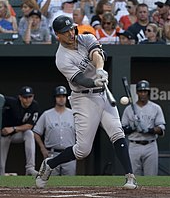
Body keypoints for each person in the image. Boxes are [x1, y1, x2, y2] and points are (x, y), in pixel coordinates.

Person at [35, 15, 138, 189]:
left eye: (71, 29)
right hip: (83, 98)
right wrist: (94, 80)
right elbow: (80, 79)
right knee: (83, 150)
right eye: (65, 32)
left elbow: (96, 53)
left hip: (102, 95)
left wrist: (99, 69)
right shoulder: (62, 58)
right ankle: (50, 164)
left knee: (117, 132)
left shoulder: (86, 37)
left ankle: (130, 176)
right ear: (57, 35)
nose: (70, 33)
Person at [121, 80, 166, 176]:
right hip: (134, 145)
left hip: (150, 145)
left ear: (148, 93)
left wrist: (149, 130)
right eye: (141, 91)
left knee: (151, 176)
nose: (143, 94)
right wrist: (133, 127)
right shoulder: (129, 109)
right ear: (137, 92)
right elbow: (122, 129)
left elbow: (161, 129)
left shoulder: (156, 108)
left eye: (145, 91)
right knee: (133, 176)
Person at [33, 86, 76, 176]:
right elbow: (36, 132)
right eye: (58, 96)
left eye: (63, 96)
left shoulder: (73, 114)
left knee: (70, 184)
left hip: (69, 154)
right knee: (51, 184)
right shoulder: (47, 114)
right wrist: (42, 148)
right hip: (52, 154)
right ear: (55, 98)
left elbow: (81, 133)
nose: (61, 99)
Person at [0, 86, 39, 176]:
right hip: (5, 133)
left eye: (30, 97)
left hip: (17, 133)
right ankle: (1, 173)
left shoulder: (34, 105)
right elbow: (1, 98)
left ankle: (30, 168)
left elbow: (30, 125)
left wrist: (13, 128)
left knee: (29, 133)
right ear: (20, 97)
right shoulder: (13, 102)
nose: (28, 100)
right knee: (2, 147)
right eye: (25, 97)